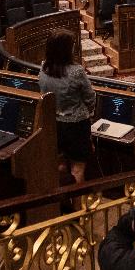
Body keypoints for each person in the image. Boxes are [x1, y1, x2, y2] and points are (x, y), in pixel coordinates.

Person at [39, 30, 96, 184]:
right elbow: (90, 98)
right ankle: (79, 204)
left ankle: (63, 201)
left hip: (54, 124)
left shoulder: (44, 67)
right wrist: (88, 112)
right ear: (66, 49)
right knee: (78, 168)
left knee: (61, 164)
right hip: (76, 126)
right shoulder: (76, 71)